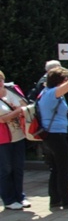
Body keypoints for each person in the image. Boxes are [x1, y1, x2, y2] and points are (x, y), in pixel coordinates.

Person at [38, 67, 68, 209]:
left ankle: (55, 199)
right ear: (60, 81)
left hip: (48, 134)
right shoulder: (53, 93)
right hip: (56, 134)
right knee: (63, 168)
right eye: (65, 79)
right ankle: (66, 200)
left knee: (55, 168)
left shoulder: (44, 92)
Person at [0, 70, 29, 210]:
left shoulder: (10, 92)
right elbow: (2, 119)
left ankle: (20, 196)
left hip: (18, 135)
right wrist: (18, 111)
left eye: (1, 80)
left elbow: (26, 105)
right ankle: (9, 199)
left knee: (18, 167)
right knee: (6, 169)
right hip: (2, 139)